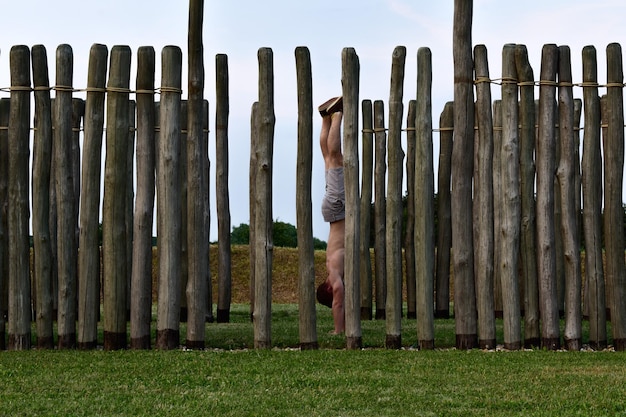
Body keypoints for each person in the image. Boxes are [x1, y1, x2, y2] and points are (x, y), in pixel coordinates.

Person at [316, 96, 345, 335]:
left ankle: (336, 115)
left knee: (335, 159)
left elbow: (337, 302)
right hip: (334, 211)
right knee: (329, 159)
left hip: (338, 207)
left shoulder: (334, 274)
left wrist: (338, 330)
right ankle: (325, 118)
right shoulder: (332, 268)